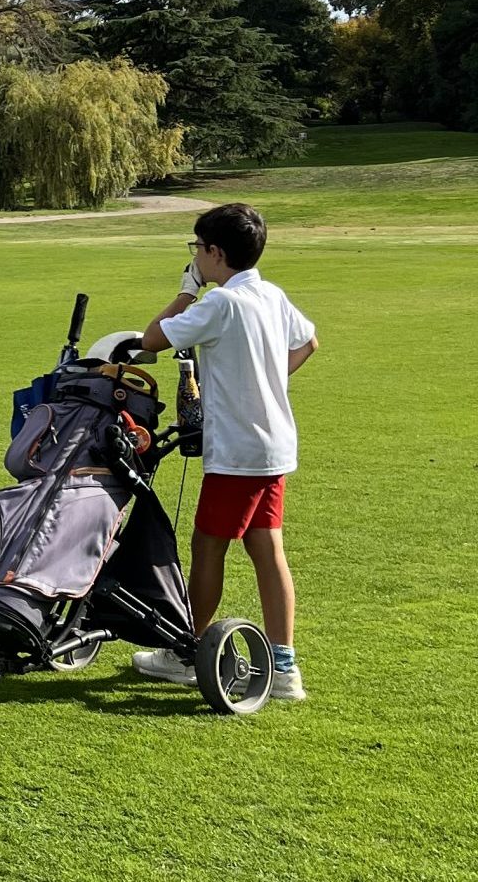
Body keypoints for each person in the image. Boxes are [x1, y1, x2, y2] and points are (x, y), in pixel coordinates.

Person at [131, 202, 318, 699]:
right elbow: (309, 343)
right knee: (265, 547)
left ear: (215, 253)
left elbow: (151, 339)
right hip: (274, 444)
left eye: (198, 249)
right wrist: (268, 383)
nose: (196, 256)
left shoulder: (220, 303)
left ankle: (185, 651)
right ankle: (284, 667)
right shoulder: (271, 294)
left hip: (237, 452)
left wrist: (187, 289)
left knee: (207, 546)